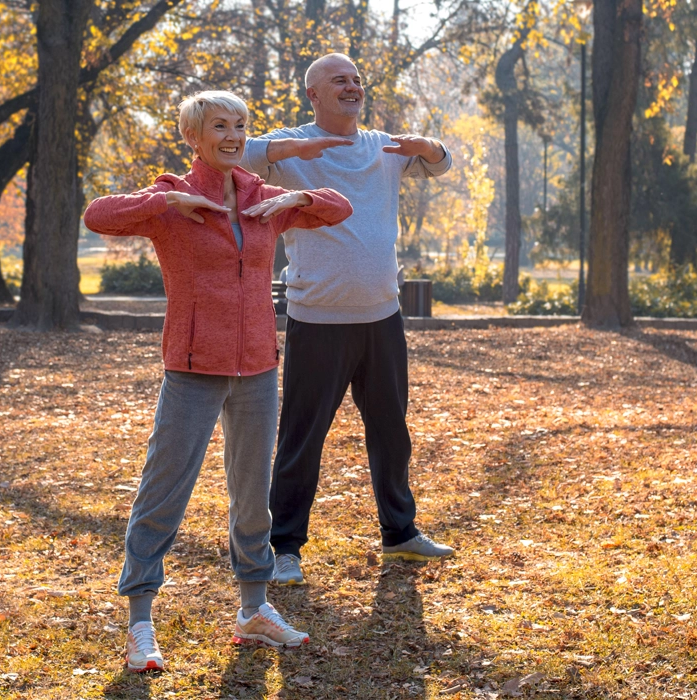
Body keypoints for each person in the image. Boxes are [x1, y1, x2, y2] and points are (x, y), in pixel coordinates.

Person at [83, 90, 352, 671]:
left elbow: (338, 208)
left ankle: (254, 610)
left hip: (258, 366)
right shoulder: (171, 199)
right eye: (219, 126)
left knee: (253, 496)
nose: (232, 135)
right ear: (194, 137)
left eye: (240, 125)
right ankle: (139, 622)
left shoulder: (263, 198)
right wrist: (166, 202)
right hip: (192, 367)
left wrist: (301, 194)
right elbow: (98, 215)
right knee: (164, 492)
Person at [241, 52, 455, 587]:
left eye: (357, 79)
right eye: (340, 80)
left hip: (382, 316)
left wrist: (428, 147)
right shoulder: (288, 146)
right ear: (313, 94)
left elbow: (442, 163)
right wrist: (295, 148)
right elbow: (232, 153)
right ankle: (284, 547)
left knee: (391, 431)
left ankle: (400, 533)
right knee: (301, 438)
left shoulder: (382, 146)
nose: (352, 86)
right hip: (317, 320)